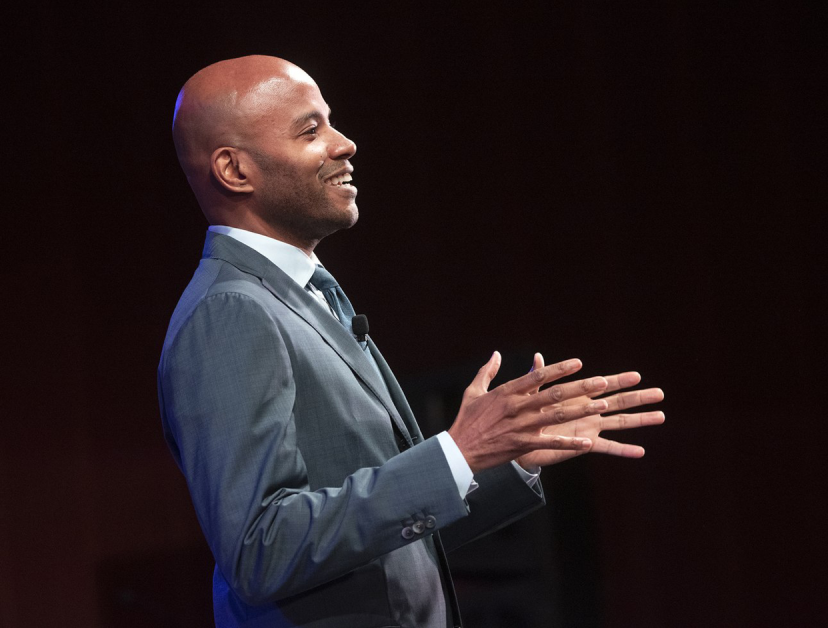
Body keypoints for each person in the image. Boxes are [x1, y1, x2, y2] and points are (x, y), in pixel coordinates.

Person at [158, 55, 665, 628]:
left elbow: (389, 540)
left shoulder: (300, 298)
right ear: (234, 170)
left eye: (332, 122)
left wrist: (502, 459)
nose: (345, 143)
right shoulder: (232, 312)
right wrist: (458, 451)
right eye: (311, 130)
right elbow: (262, 549)